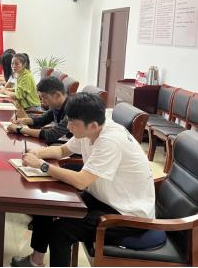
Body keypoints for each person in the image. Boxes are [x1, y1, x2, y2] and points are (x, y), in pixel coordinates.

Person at [11, 93, 155, 267]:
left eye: (73, 124)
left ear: (92, 125)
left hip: (127, 215)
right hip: (104, 198)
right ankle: (36, 260)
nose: (68, 127)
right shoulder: (92, 128)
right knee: (48, 203)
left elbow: (81, 181)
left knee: (61, 231)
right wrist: (36, 154)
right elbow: (62, 150)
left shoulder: (110, 141)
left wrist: (42, 165)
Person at [7, 77, 71, 145]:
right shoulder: (57, 105)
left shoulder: (72, 110)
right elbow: (43, 119)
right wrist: (24, 120)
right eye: (41, 98)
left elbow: (51, 135)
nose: (42, 101)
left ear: (57, 95)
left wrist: (19, 129)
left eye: (45, 97)